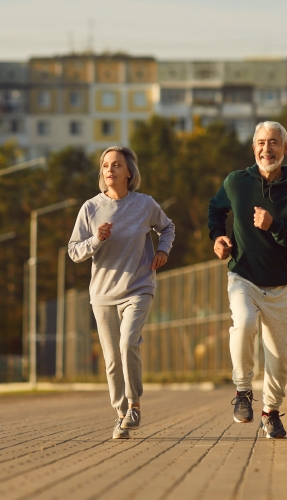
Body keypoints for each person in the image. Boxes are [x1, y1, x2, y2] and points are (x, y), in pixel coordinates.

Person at [207, 121, 287, 439]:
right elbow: (216, 209)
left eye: (273, 142)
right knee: (243, 323)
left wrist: (274, 226)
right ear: (253, 147)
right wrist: (218, 238)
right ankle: (242, 391)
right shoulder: (236, 182)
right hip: (243, 275)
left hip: (282, 283)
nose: (266, 149)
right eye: (261, 143)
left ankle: (271, 412)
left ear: (285, 148)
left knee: (280, 357)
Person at [68, 146, 175, 439]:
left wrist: (163, 250)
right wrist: (95, 240)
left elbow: (167, 227)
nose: (110, 170)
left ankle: (134, 405)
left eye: (116, 165)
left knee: (129, 343)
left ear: (129, 172)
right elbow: (74, 251)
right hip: (102, 294)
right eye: (105, 165)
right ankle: (120, 414)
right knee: (112, 358)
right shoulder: (90, 208)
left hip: (138, 287)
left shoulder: (144, 204)